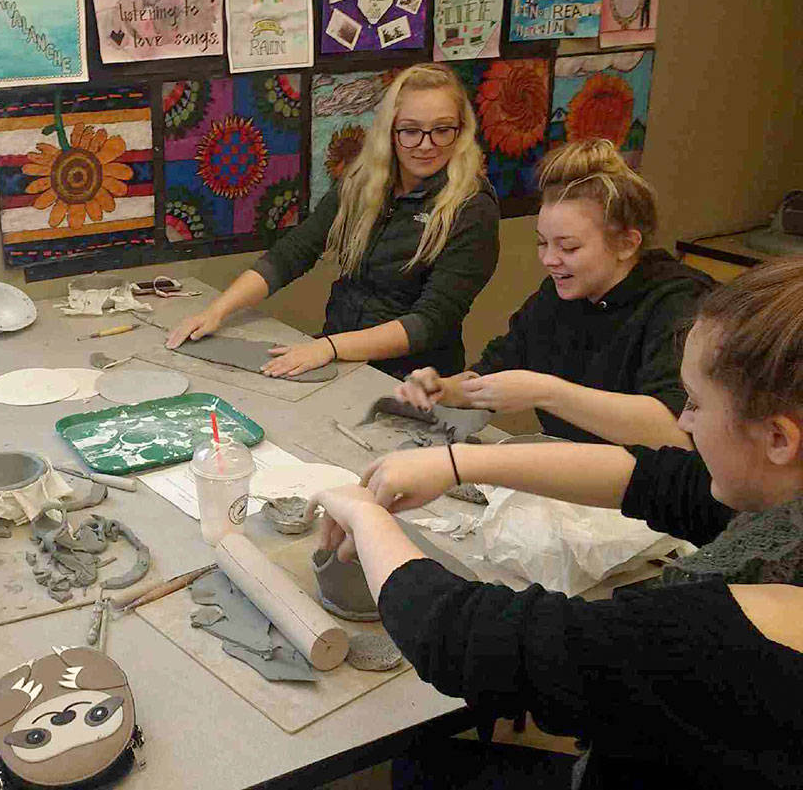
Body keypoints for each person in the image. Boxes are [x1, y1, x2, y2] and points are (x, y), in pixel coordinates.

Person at [313, 257, 803, 788]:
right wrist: (455, 462)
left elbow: (471, 639)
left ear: (778, 439)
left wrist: (366, 518)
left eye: (696, 404)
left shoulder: (738, 633)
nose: (682, 421)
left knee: (421, 769)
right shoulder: (784, 507)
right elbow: (651, 477)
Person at [166, 62, 500, 380]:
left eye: (442, 130)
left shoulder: (472, 209)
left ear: (462, 131)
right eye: (411, 131)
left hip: (413, 381)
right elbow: (292, 253)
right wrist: (217, 311)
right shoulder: (363, 182)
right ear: (389, 131)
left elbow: (429, 323)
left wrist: (328, 348)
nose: (426, 145)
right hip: (341, 357)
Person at [395, 139, 713, 447]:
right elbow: (495, 369)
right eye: (542, 243)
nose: (549, 259)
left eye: (568, 247)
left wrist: (546, 392)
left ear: (627, 244)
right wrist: (443, 389)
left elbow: (675, 431)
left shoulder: (680, 304)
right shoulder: (557, 297)